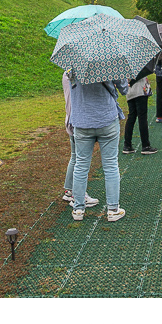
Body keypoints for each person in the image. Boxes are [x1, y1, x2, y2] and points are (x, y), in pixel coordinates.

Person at [67, 75, 128, 221]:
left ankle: (78, 209)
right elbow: (124, 89)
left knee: (81, 165)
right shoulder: (111, 60)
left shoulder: (74, 63)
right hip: (106, 118)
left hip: (82, 120)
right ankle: (113, 209)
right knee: (111, 165)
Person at [61, 71, 99, 207]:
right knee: (80, 160)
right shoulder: (76, 76)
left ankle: (70, 190)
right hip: (77, 120)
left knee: (75, 157)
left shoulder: (68, 74)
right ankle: (78, 194)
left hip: (72, 119)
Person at [124, 74, 157, 154]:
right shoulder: (139, 64)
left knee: (131, 117)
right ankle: (145, 145)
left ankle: (127, 145)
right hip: (140, 91)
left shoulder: (124, 64)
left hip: (129, 92)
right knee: (142, 117)